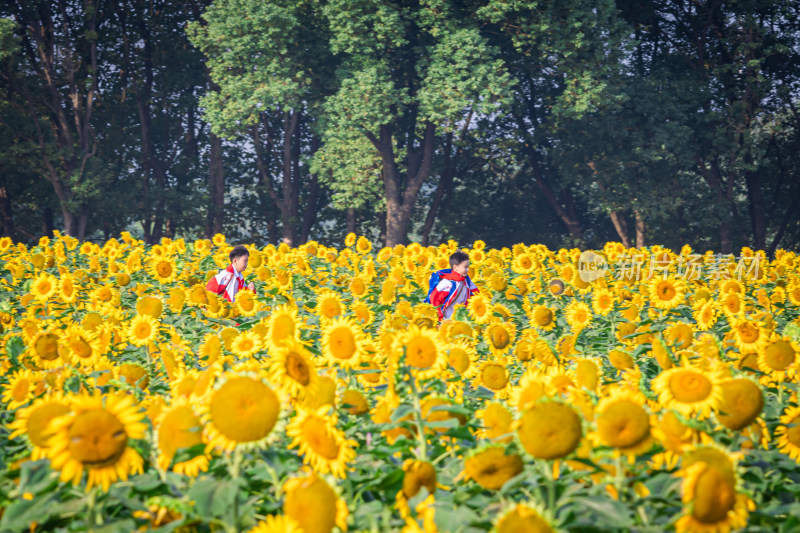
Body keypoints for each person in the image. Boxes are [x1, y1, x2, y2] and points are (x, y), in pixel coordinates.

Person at [427, 251, 479, 321]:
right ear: (455, 267)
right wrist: (439, 317)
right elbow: (435, 299)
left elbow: (472, 296)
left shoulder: (466, 281)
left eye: (468, 267)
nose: (468, 269)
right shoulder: (447, 283)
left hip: (461, 319)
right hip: (447, 320)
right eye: (465, 267)